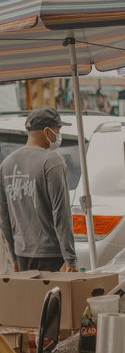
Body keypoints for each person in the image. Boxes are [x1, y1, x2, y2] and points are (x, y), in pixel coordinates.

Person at [0, 109, 77, 273]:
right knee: (53, 299)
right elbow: (61, 213)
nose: (58, 135)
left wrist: (13, 258)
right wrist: (70, 259)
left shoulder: (6, 164)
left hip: (22, 254)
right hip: (51, 256)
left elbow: (4, 216)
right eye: (58, 130)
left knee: (29, 299)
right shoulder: (52, 161)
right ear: (47, 131)